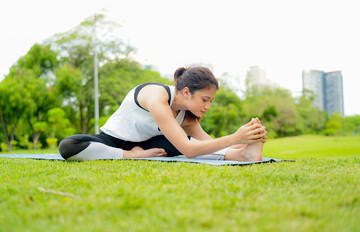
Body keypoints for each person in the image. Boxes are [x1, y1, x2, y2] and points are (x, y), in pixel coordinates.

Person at [59, 66, 267, 161]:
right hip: (113, 140)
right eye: (205, 100)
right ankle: (131, 156)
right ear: (186, 91)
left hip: (151, 143)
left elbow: (207, 142)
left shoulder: (186, 115)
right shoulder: (156, 96)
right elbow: (188, 151)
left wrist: (245, 140)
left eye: (210, 101)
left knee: (186, 142)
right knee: (68, 146)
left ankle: (242, 155)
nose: (207, 107)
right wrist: (235, 137)